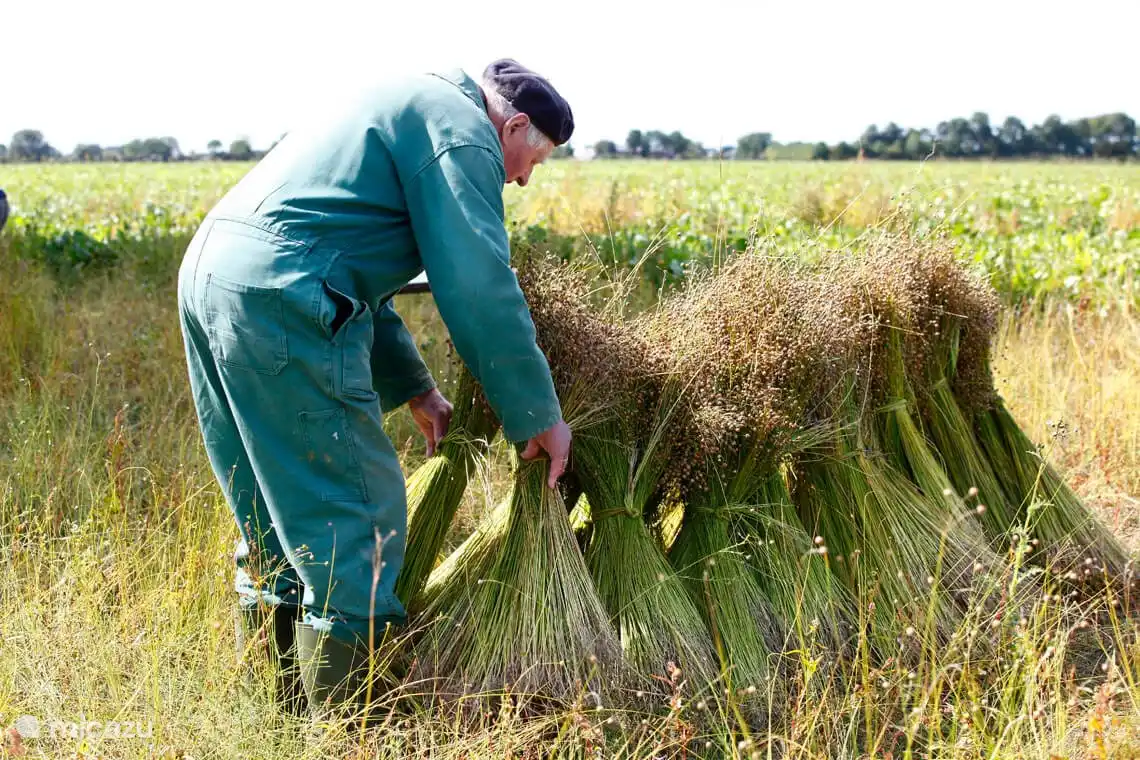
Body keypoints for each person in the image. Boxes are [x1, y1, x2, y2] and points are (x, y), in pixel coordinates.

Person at [176, 59, 573, 714]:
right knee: (357, 521)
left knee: (274, 518)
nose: (524, 178)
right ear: (515, 124)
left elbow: (354, 266)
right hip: (282, 290)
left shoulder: (405, 98)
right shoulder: (464, 130)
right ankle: (351, 734)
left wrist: (417, 388)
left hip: (215, 274)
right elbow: (478, 283)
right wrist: (537, 414)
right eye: (532, 160)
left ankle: (282, 721)